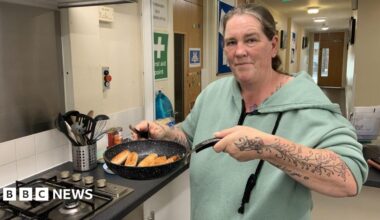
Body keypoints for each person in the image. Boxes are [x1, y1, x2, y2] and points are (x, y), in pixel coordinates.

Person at [132, 3, 368, 220]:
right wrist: (165, 134)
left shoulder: (307, 103)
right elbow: (191, 139)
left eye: (251, 40)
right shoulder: (213, 93)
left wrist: (266, 148)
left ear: (273, 45)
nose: (240, 51)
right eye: (231, 42)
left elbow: (349, 177)